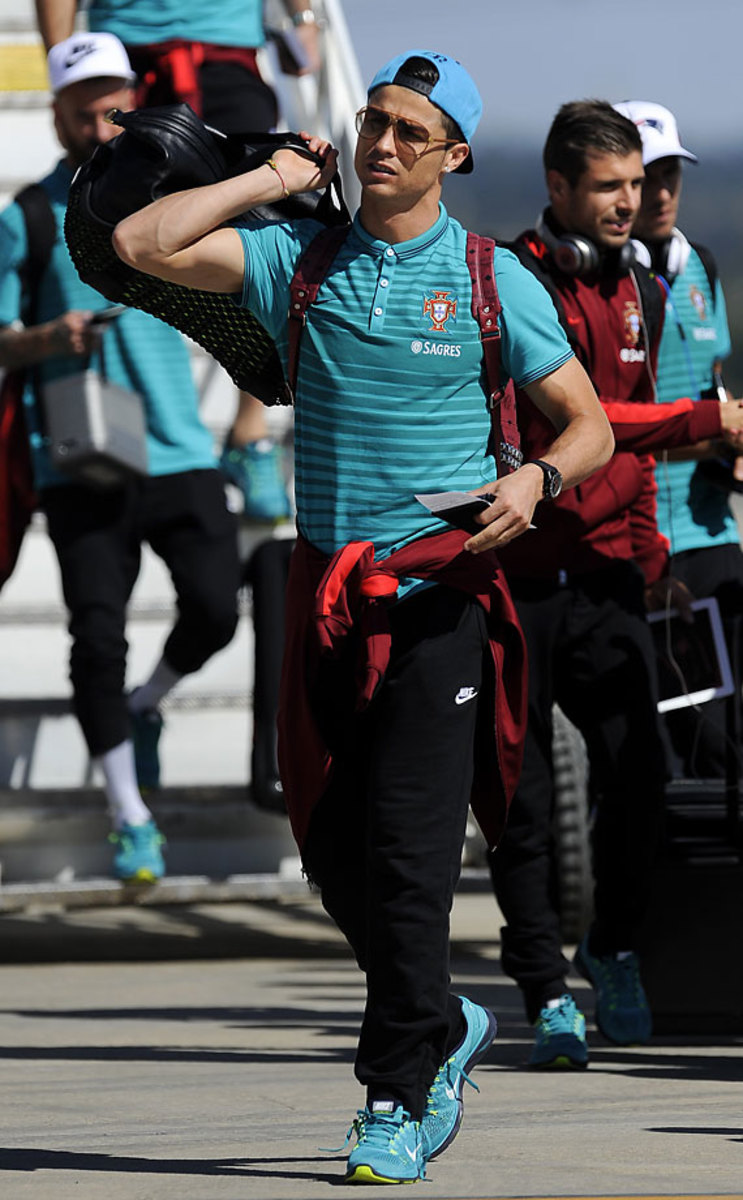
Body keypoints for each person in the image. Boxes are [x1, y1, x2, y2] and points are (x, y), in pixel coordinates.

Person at [111, 49, 614, 1181]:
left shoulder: (490, 280)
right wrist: (272, 179)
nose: (381, 143)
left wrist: (535, 482)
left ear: (454, 157)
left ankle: (393, 1097)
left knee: (409, 860)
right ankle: (443, 1017)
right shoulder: (296, 258)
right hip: (323, 597)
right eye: (371, 122)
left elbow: (584, 425)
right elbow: (140, 243)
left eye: (408, 132)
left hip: (439, 600)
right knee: (335, 859)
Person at [486, 100, 743, 1071]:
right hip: (517, 575)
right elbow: (583, 423)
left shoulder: (636, 283)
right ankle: (543, 987)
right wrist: (701, 420)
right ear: (556, 187)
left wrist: (649, 562)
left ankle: (612, 945)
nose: (627, 203)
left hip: (606, 577)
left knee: (639, 776)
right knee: (516, 800)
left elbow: (624, 457)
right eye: (606, 187)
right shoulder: (511, 282)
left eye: (635, 184)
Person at [0, 33, 241, 883]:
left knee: (216, 607)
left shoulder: (169, 196)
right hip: (83, 458)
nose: (99, 120)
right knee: (96, 637)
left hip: (178, 446)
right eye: (82, 107)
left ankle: (147, 704)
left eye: (112, 103)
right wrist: (47, 337)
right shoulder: (28, 216)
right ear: (56, 114)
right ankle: (129, 813)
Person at [34, 0, 322, 522]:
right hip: (129, 52)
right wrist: (65, 69)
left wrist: (303, 19)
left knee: (269, 219)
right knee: (118, 234)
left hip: (227, 48)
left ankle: (251, 430)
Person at [614, 99, 743, 778]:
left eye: (669, 174)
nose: (660, 193)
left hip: (711, 532)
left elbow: (711, 382)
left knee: (727, 743)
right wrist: (712, 438)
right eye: (644, 177)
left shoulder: (703, 266)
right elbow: (600, 430)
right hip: (638, 544)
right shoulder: (600, 284)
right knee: (658, 752)